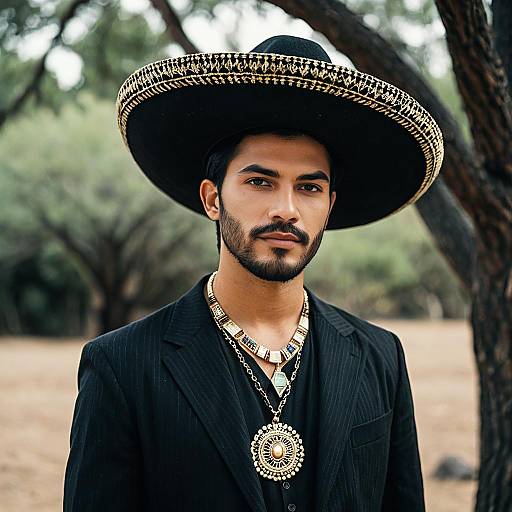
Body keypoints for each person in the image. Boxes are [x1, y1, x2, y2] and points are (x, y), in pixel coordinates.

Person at [63, 35, 444, 511]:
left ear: (329, 208)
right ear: (212, 198)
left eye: (309, 187)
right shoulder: (122, 367)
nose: (286, 209)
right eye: (260, 181)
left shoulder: (379, 356)